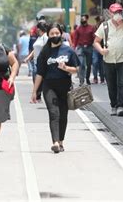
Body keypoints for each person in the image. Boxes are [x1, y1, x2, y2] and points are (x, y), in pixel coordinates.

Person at [30, 23, 79, 153]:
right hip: (49, 86)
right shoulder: (45, 53)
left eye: (57, 33)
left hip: (65, 86)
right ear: (48, 35)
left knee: (63, 115)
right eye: (52, 34)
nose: (55, 36)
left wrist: (66, 68)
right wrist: (35, 91)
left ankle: (61, 141)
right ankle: (55, 142)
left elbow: (77, 70)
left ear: (61, 34)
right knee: (53, 113)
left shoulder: (68, 51)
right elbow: (40, 73)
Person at [93, 3, 123, 117]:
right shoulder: (105, 26)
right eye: (115, 12)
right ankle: (113, 105)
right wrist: (101, 50)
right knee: (111, 84)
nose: (117, 14)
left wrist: (122, 24)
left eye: (119, 12)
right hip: (109, 60)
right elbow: (96, 41)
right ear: (110, 14)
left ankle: (120, 106)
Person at [24, 21, 49, 102]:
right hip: (35, 61)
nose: (36, 30)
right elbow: (35, 49)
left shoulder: (45, 37)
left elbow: (47, 49)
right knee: (36, 78)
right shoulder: (39, 37)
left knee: (38, 78)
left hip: (41, 62)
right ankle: (38, 96)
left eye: (37, 28)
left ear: (40, 28)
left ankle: (38, 96)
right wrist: (28, 57)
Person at [73, 14, 96, 86]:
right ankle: (81, 80)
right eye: (82, 19)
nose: (83, 21)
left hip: (89, 47)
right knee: (81, 63)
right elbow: (75, 38)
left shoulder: (91, 28)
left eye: (84, 19)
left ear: (87, 19)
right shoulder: (78, 29)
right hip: (80, 47)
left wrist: (94, 45)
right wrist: (74, 47)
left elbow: (94, 37)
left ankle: (87, 78)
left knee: (89, 64)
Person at [92, 16, 105, 84]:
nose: (101, 22)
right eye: (100, 21)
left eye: (102, 21)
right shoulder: (94, 28)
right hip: (95, 48)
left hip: (103, 47)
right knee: (95, 62)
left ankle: (102, 78)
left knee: (102, 64)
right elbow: (91, 37)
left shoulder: (105, 28)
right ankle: (95, 77)